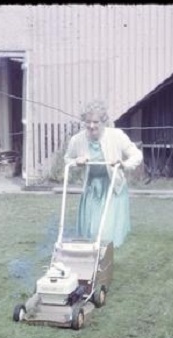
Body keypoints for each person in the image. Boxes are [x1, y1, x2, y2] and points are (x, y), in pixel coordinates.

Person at [64, 100, 143, 247]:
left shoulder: (117, 136)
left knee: (105, 232)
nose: (91, 126)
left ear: (104, 121)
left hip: (112, 187)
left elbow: (137, 155)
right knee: (90, 231)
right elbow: (67, 159)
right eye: (88, 122)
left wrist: (123, 164)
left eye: (96, 122)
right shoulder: (77, 140)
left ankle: (102, 262)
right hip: (92, 188)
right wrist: (77, 161)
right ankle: (91, 261)